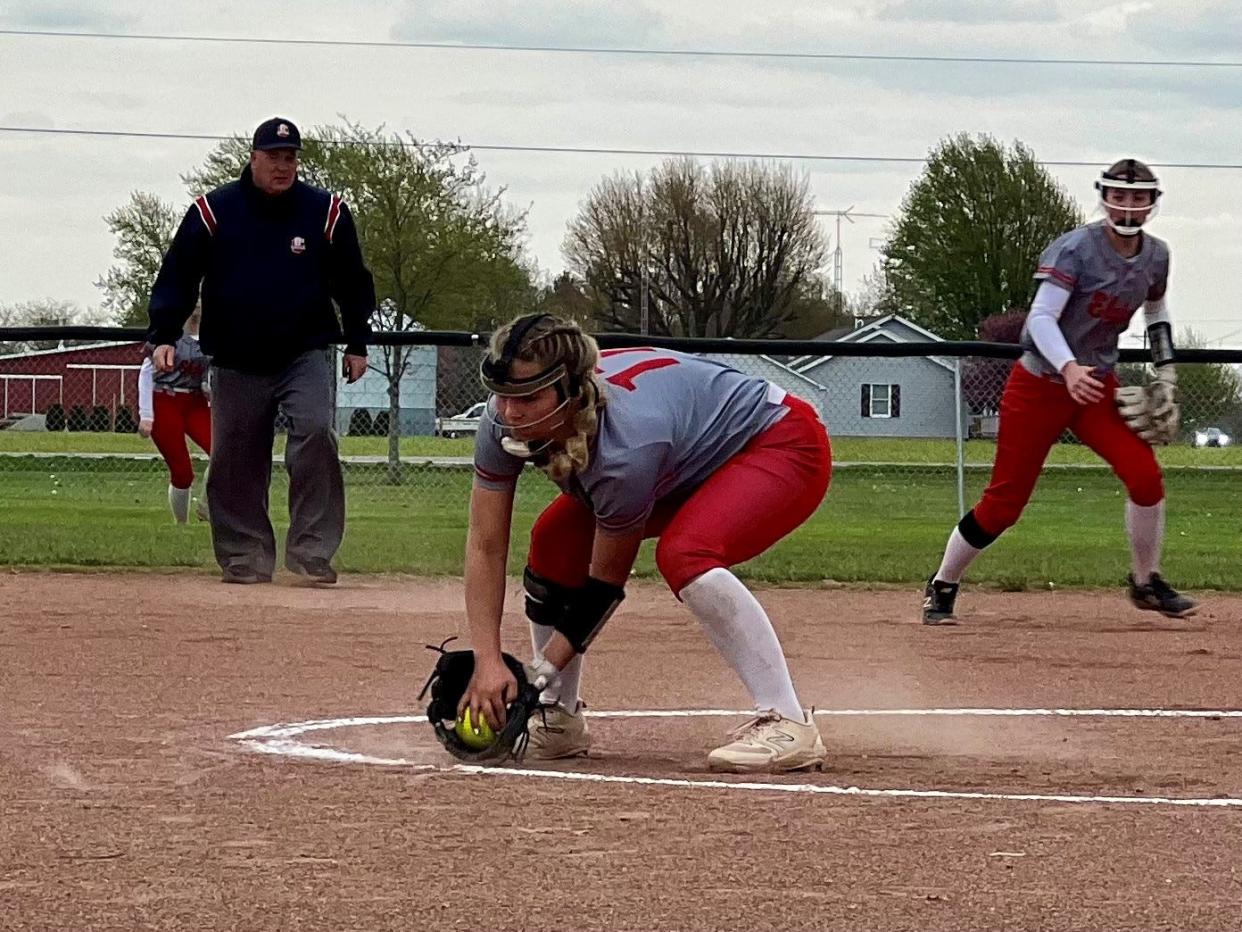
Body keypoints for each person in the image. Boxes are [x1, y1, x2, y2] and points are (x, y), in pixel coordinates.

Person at [458, 313, 833, 774]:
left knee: (685, 553)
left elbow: (602, 589)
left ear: (572, 392)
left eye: (529, 397)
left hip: (780, 442)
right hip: (686, 456)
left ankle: (789, 721)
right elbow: (485, 544)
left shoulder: (625, 449)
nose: (510, 412)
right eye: (503, 396)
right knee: (553, 543)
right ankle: (559, 718)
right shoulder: (502, 422)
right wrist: (488, 659)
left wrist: (535, 675)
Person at [922, 158, 1197, 624]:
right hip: (1041, 385)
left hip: (1094, 385)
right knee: (1004, 504)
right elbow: (1041, 318)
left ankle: (1146, 582)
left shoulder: (1156, 255)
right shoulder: (1075, 248)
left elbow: (1156, 313)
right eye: (1120, 194)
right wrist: (1068, 367)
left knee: (1145, 477)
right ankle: (943, 583)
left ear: (1153, 203)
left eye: (1138, 196)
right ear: (1103, 196)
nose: (1128, 205)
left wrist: (1166, 372)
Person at [147, 117, 376, 585]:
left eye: (290, 158)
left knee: (314, 433)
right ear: (253, 158)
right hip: (235, 356)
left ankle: (311, 551)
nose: (283, 166)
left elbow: (352, 280)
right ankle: (244, 555)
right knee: (235, 456)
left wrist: (356, 339)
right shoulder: (213, 211)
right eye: (274, 156)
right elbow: (178, 274)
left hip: (303, 352)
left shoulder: (325, 211)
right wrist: (165, 333)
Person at [137, 304, 211, 524]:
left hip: (196, 401)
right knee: (182, 472)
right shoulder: (168, 331)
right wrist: (146, 414)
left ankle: (207, 507)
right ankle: (181, 525)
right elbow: (146, 372)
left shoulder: (213, 334)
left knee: (223, 454)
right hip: (166, 399)